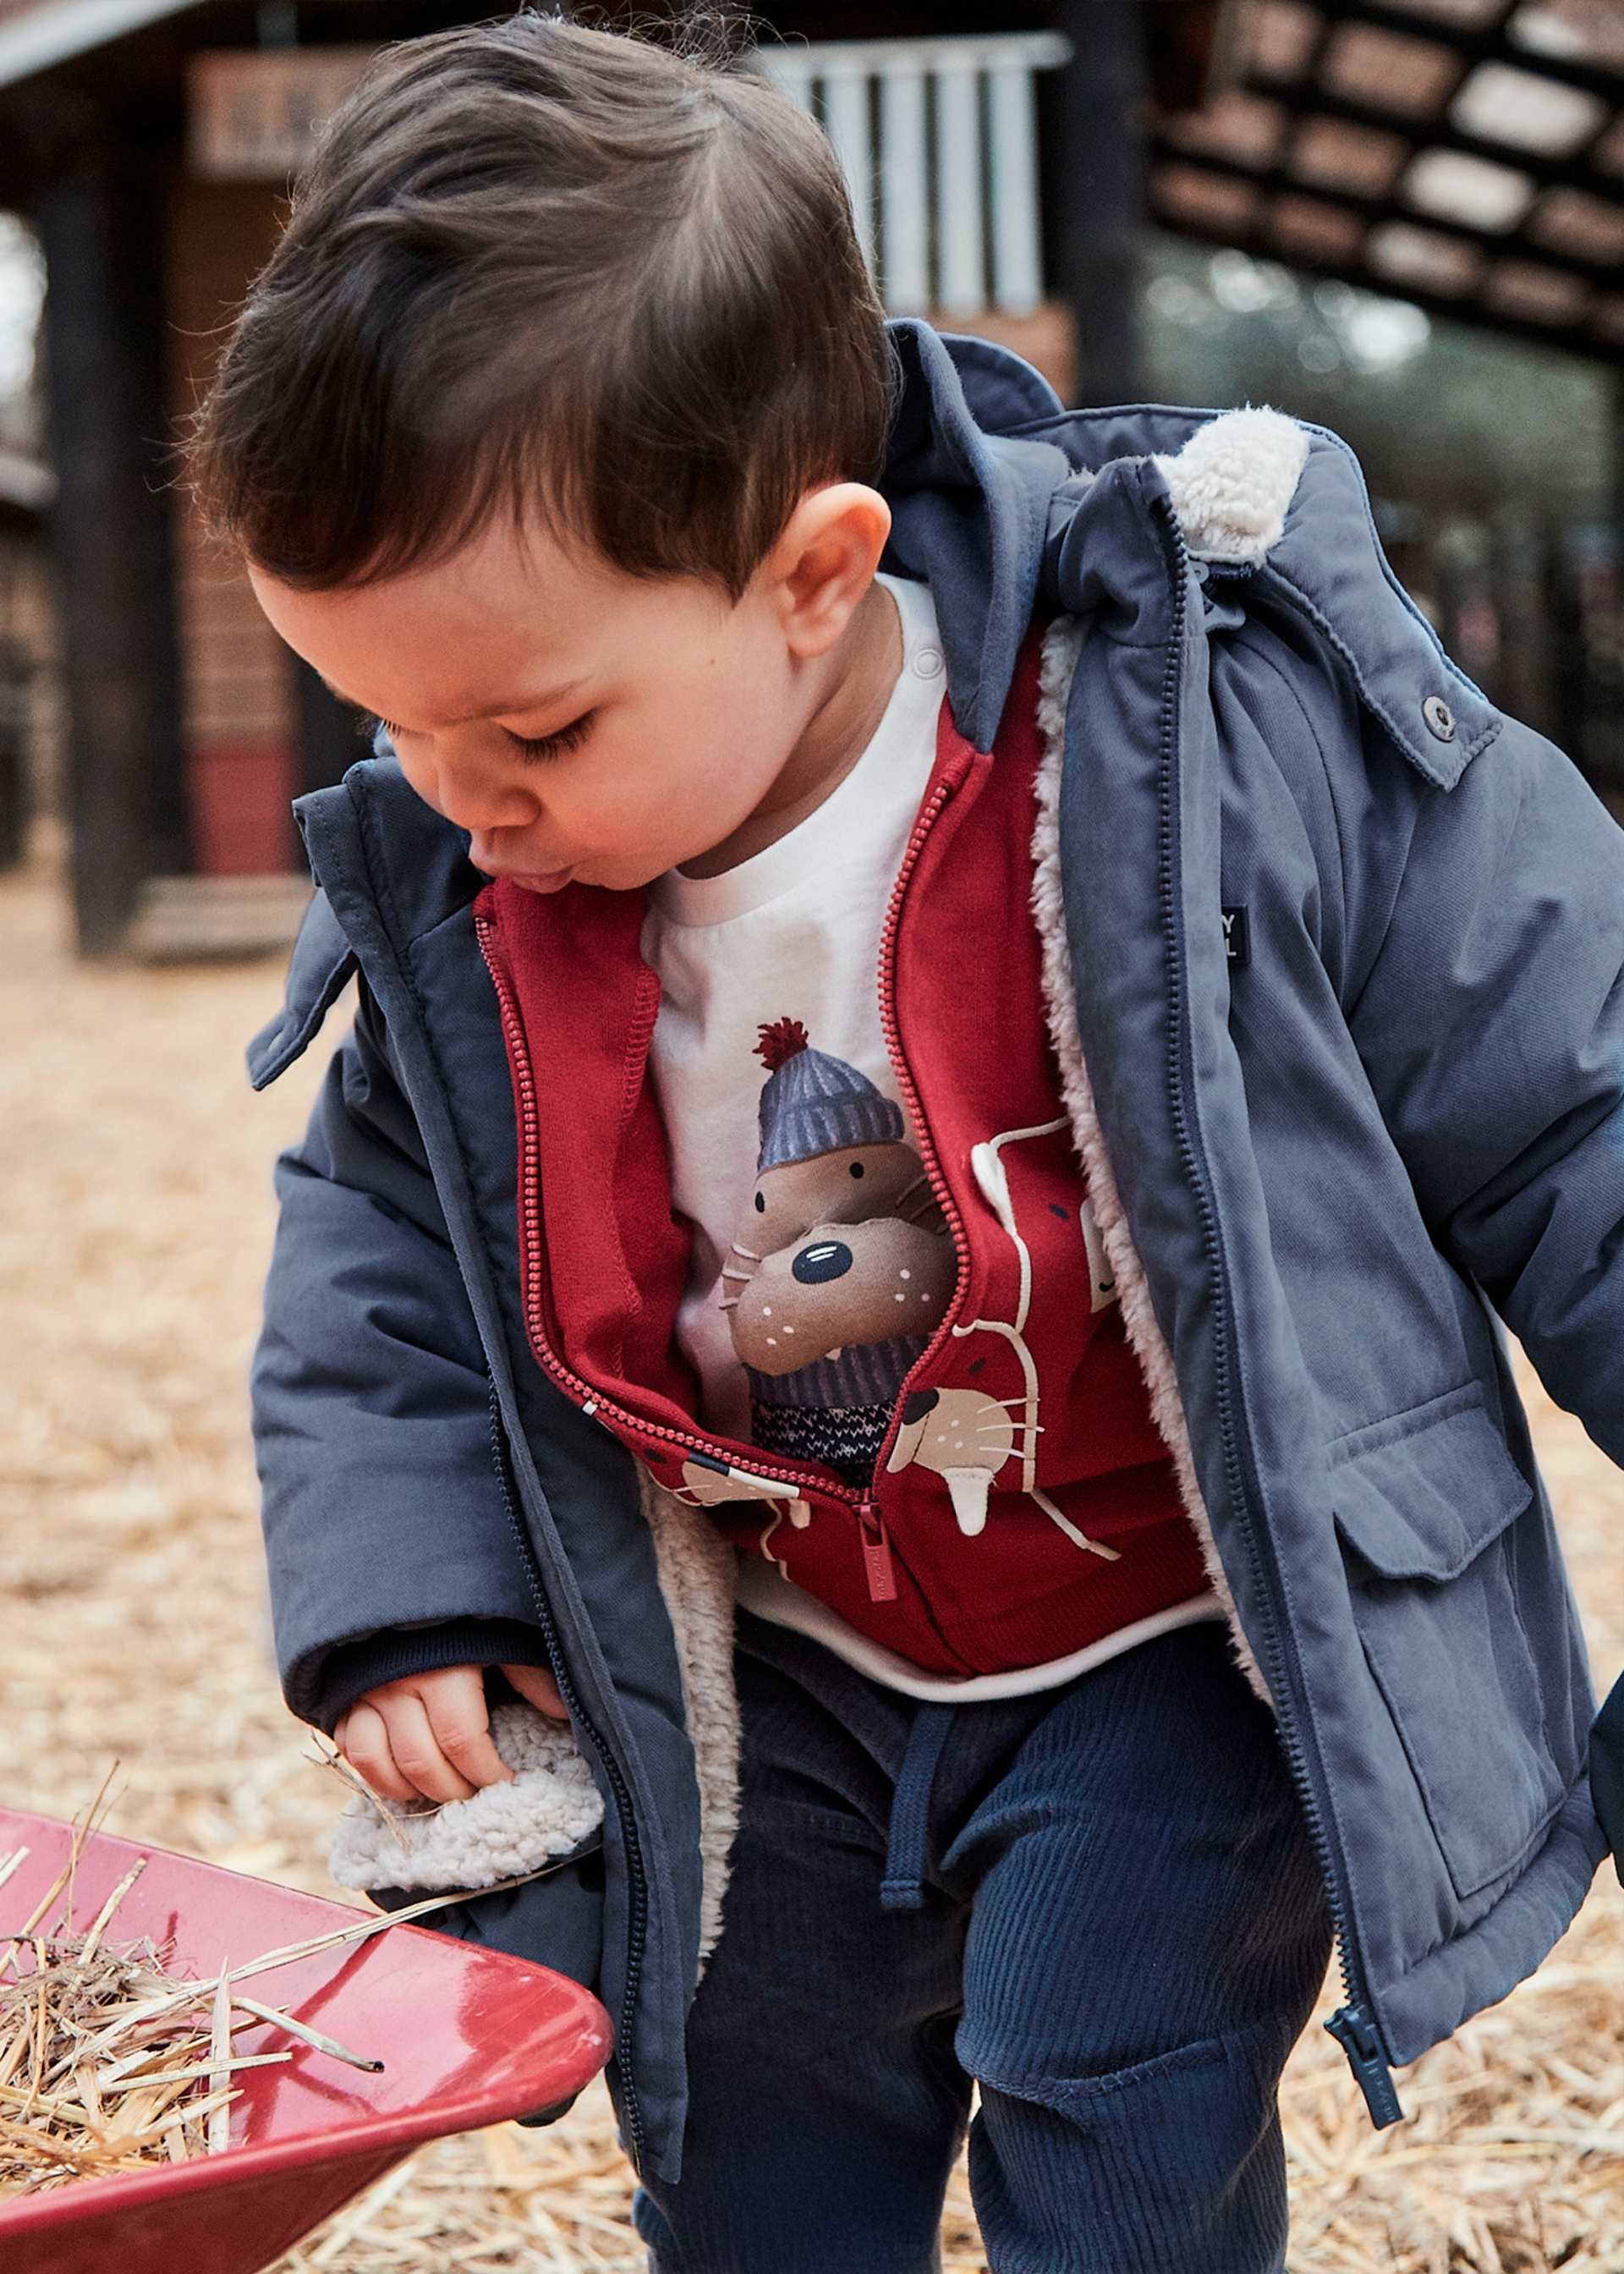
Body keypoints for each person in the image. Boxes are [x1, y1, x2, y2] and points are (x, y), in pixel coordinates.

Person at [191, 11, 1624, 2270]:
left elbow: (1568, 1089)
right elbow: (385, 1243)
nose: (459, 794)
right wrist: (411, 1589)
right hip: (780, 1644)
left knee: (1108, 2088)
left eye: (535, 723)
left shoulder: (1192, 734)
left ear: (811, 569)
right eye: (388, 718)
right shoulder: (477, 892)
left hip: (1166, 1623)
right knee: (747, 2111)